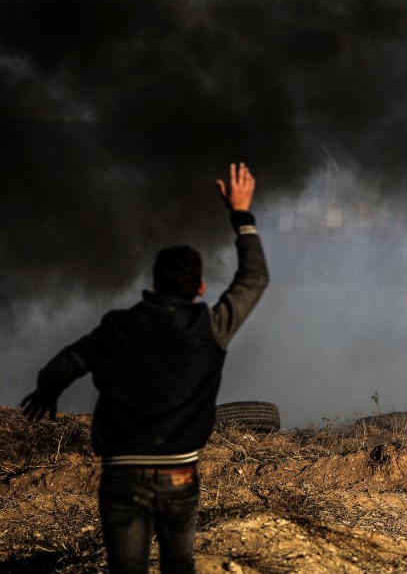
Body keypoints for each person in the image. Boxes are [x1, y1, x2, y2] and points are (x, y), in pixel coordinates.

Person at [20, 163, 269, 574]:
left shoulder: (117, 327)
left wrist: (46, 393)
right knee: (178, 565)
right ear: (201, 288)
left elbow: (65, 364)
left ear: (153, 283)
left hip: (123, 474)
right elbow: (253, 279)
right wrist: (241, 214)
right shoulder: (210, 327)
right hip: (179, 473)